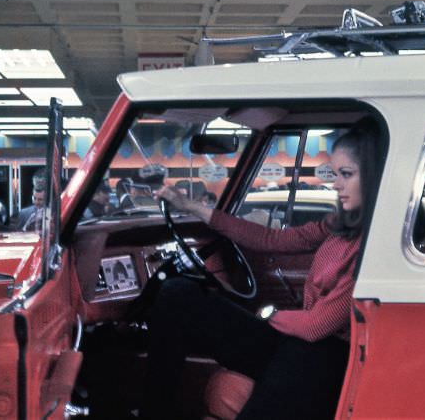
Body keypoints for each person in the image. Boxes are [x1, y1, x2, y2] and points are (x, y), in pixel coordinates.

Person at [143, 122, 380, 420]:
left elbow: (316, 326)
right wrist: (192, 207)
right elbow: (271, 240)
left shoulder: (373, 244)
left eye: (346, 174)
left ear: (373, 176)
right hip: (299, 345)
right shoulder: (340, 226)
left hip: (327, 358)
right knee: (177, 294)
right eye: (336, 175)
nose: (336, 185)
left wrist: (267, 314)